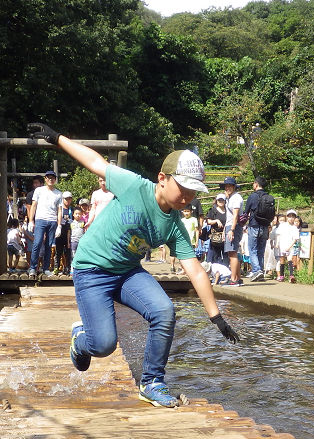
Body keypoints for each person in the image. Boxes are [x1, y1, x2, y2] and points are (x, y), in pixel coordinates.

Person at [26, 122, 239, 409]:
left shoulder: (174, 225)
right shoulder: (135, 187)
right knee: (103, 345)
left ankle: (152, 382)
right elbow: (95, 162)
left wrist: (216, 317)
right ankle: (81, 339)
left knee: (164, 311)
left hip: (127, 272)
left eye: (194, 191)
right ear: (162, 178)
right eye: (184, 188)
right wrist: (57, 138)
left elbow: (196, 270)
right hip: (91, 269)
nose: (188, 197)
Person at [27, 170, 62, 276]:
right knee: (37, 243)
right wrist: (31, 220)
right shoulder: (39, 190)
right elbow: (33, 205)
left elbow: (59, 210)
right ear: (45, 179)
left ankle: (46, 268)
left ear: (55, 180)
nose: (50, 179)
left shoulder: (59, 193)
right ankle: (33, 267)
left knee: (49, 245)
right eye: (48, 177)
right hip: (40, 219)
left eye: (52, 178)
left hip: (52, 221)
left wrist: (59, 225)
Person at [244, 176, 273, 282]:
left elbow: (245, 213)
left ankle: (257, 270)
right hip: (265, 226)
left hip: (254, 225)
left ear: (256, 184)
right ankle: (260, 271)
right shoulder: (269, 197)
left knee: (252, 250)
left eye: (253, 183)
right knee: (261, 250)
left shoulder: (252, 196)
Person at [221, 176, 244, 286]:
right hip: (230, 226)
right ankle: (238, 278)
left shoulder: (236, 198)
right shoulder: (230, 198)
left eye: (230, 186)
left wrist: (232, 230)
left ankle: (233, 279)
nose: (227, 188)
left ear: (234, 187)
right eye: (226, 186)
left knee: (232, 253)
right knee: (232, 252)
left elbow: (235, 215)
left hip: (234, 227)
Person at [275, 210, 300, 282]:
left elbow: (295, 239)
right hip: (282, 244)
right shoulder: (282, 225)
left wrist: (289, 247)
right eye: (289, 216)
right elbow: (279, 235)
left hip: (290, 245)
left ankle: (291, 275)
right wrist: (277, 243)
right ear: (287, 217)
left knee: (290, 259)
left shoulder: (295, 228)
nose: (291, 218)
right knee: (282, 259)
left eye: (293, 216)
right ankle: (281, 276)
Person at [205, 193, 228, 266]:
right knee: (215, 255)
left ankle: (225, 271)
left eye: (222, 200)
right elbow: (208, 221)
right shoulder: (212, 210)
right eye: (219, 200)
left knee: (226, 255)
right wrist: (216, 221)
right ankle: (215, 271)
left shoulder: (228, 211)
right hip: (215, 237)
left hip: (226, 235)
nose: (221, 202)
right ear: (216, 201)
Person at [55, 191, 74, 274]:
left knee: (68, 252)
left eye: (69, 199)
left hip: (69, 233)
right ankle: (56, 268)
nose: (67, 201)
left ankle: (67, 268)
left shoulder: (72, 209)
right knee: (58, 251)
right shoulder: (59, 208)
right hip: (60, 232)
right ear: (63, 199)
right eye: (66, 199)